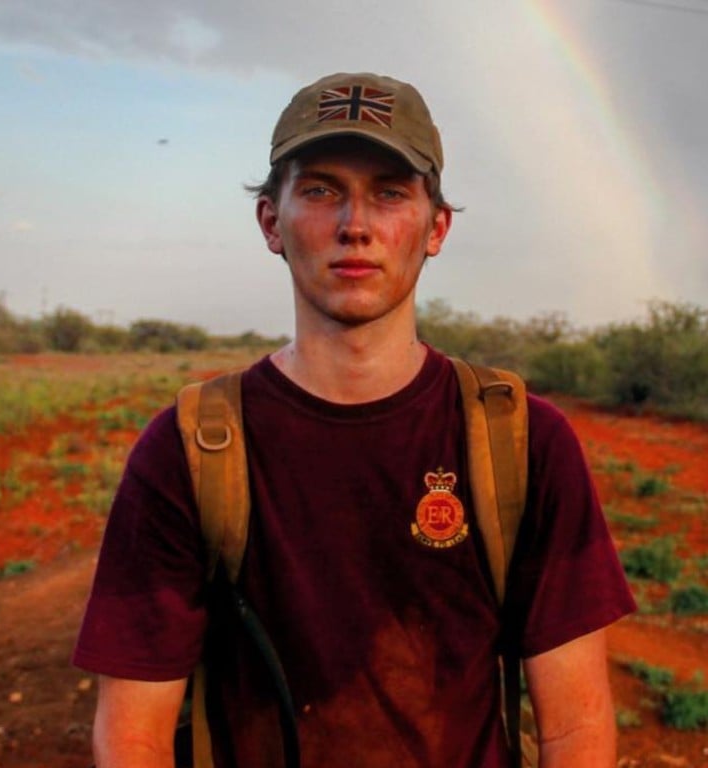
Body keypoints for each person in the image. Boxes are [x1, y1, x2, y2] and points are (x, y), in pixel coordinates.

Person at [74, 72, 636, 768]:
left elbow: (576, 732)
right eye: (320, 190)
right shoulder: (190, 449)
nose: (356, 225)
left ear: (435, 227)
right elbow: (134, 738)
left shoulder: (522, 442)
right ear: (272, 222)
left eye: (390, 193)